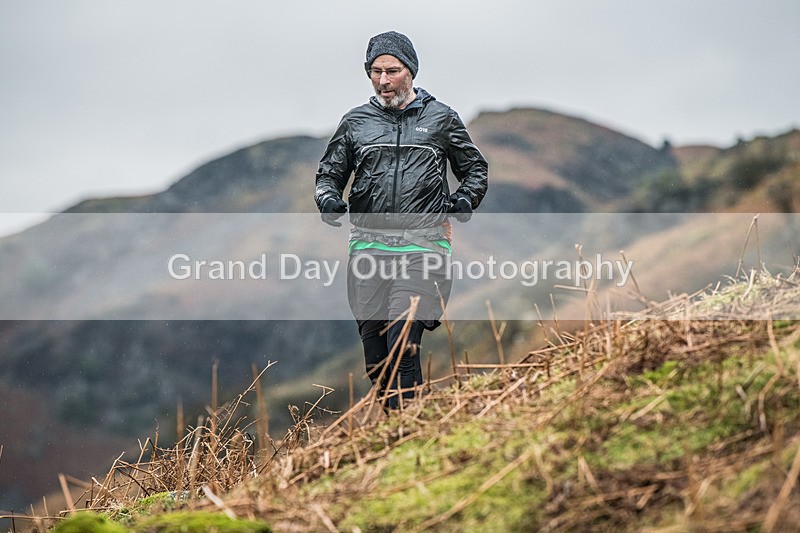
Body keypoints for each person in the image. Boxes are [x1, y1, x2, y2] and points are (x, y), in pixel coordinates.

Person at [314, 31, 488, 409]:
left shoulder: (441, 119)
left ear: (410, 71)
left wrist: (464, 199)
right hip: (368, 248)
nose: (382, 80)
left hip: (424, 246)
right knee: (377, 360)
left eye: (391, 70)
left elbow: (474, 168)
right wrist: (327, 198)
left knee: (401, 339)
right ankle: (411, 423)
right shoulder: (355, 122)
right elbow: (329, 173)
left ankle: (406, 433)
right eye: (375, 71)